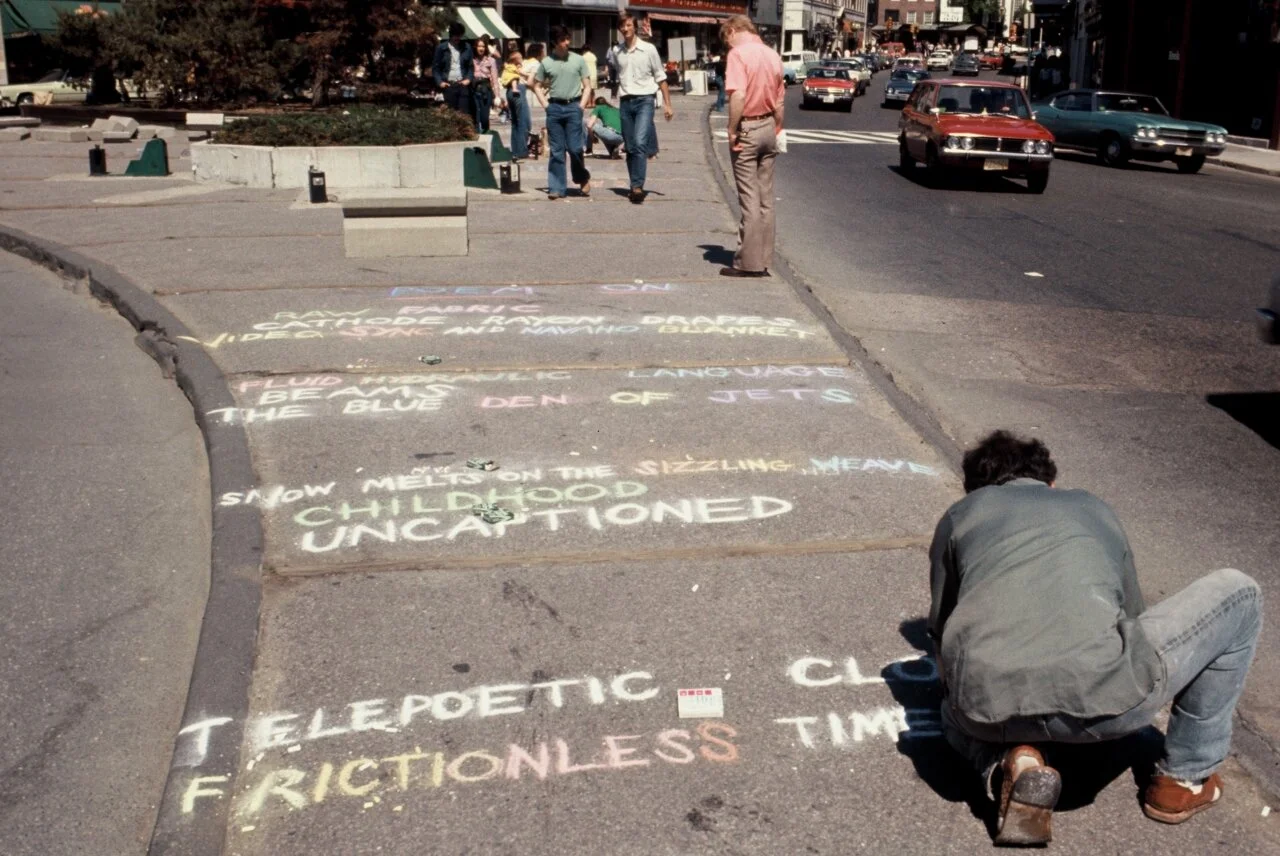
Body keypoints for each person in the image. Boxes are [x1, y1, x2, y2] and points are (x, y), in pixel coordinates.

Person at [929, 430, 1262, 846]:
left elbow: (941, 631)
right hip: (1101, 703)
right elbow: (1135, 617)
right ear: (1050, 481)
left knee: (950, 709)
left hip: (988, 708)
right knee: (1240, 592)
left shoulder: (961, 515)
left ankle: (1008, 762)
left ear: (975, 490)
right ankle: (1183, 780)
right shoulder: (1090, 506)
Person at [719, 15, 783, 277]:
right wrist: (776, 128)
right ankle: (765, 260)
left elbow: (739, 95)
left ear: (732, 31)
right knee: (766, 198)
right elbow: (780, 103)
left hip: (748, 127)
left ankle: (749, 262)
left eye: (727, 40)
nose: (728, 47)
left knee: (749, 199)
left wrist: (732, 129)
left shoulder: (738, 55)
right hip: (769, 127)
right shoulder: (772, 55)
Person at [612, 13, 673, 204]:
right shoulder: (617, 52)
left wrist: (667, 104)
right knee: (630, 146)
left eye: (629, 25)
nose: (626, 29)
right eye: (622, 26)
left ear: (635, 27)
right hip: (625, 102)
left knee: (639, 143)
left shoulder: (649, 49)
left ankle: (637, 186)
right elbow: (620, 75)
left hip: (645, 100)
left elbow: (660, 77)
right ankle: (634, 183)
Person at [534, 27, 592, 200]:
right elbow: (536, 85)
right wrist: (546, 105)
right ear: (554, 42)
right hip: (555, 109)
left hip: (574, 107)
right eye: (563, 40)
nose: (567, 42)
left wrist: (581, 106)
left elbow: (588, 85)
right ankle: (556, 188)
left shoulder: (578, 60)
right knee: (557, 151)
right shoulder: (546, 63)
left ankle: (581, 177)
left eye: (568, 39)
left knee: (575, 148)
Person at [432, 23, 474, 116]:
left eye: (459, 36)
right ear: (451, 35)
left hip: (462, 84)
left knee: (464, 115)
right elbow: (435, 68)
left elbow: (471, 67)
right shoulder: (441, 48)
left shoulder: (467, 47)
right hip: (448, 85)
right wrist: (440, 82)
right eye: (455, 35)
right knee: (451, 115)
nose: (457, 38)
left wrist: (468, 79)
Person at [501, 49, 530, 161]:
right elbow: (524, 76)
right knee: (521, 121)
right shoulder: (515, 69)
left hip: (509, 93)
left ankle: (515, 150)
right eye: (521, 58)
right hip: (517, 91)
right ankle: (522, 151)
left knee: (515, 123)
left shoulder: (507, 68)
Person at [471, 37, 502, 133]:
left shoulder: (491, 60)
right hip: (474, 89)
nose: (481, 48)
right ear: (475, 47)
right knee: (475, 117)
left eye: (483, 46)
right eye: (479, 46)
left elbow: (495, 78)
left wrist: (497, 96)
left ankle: (486, 134)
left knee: (484, 117)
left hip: (485, 90)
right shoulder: (472, 59)